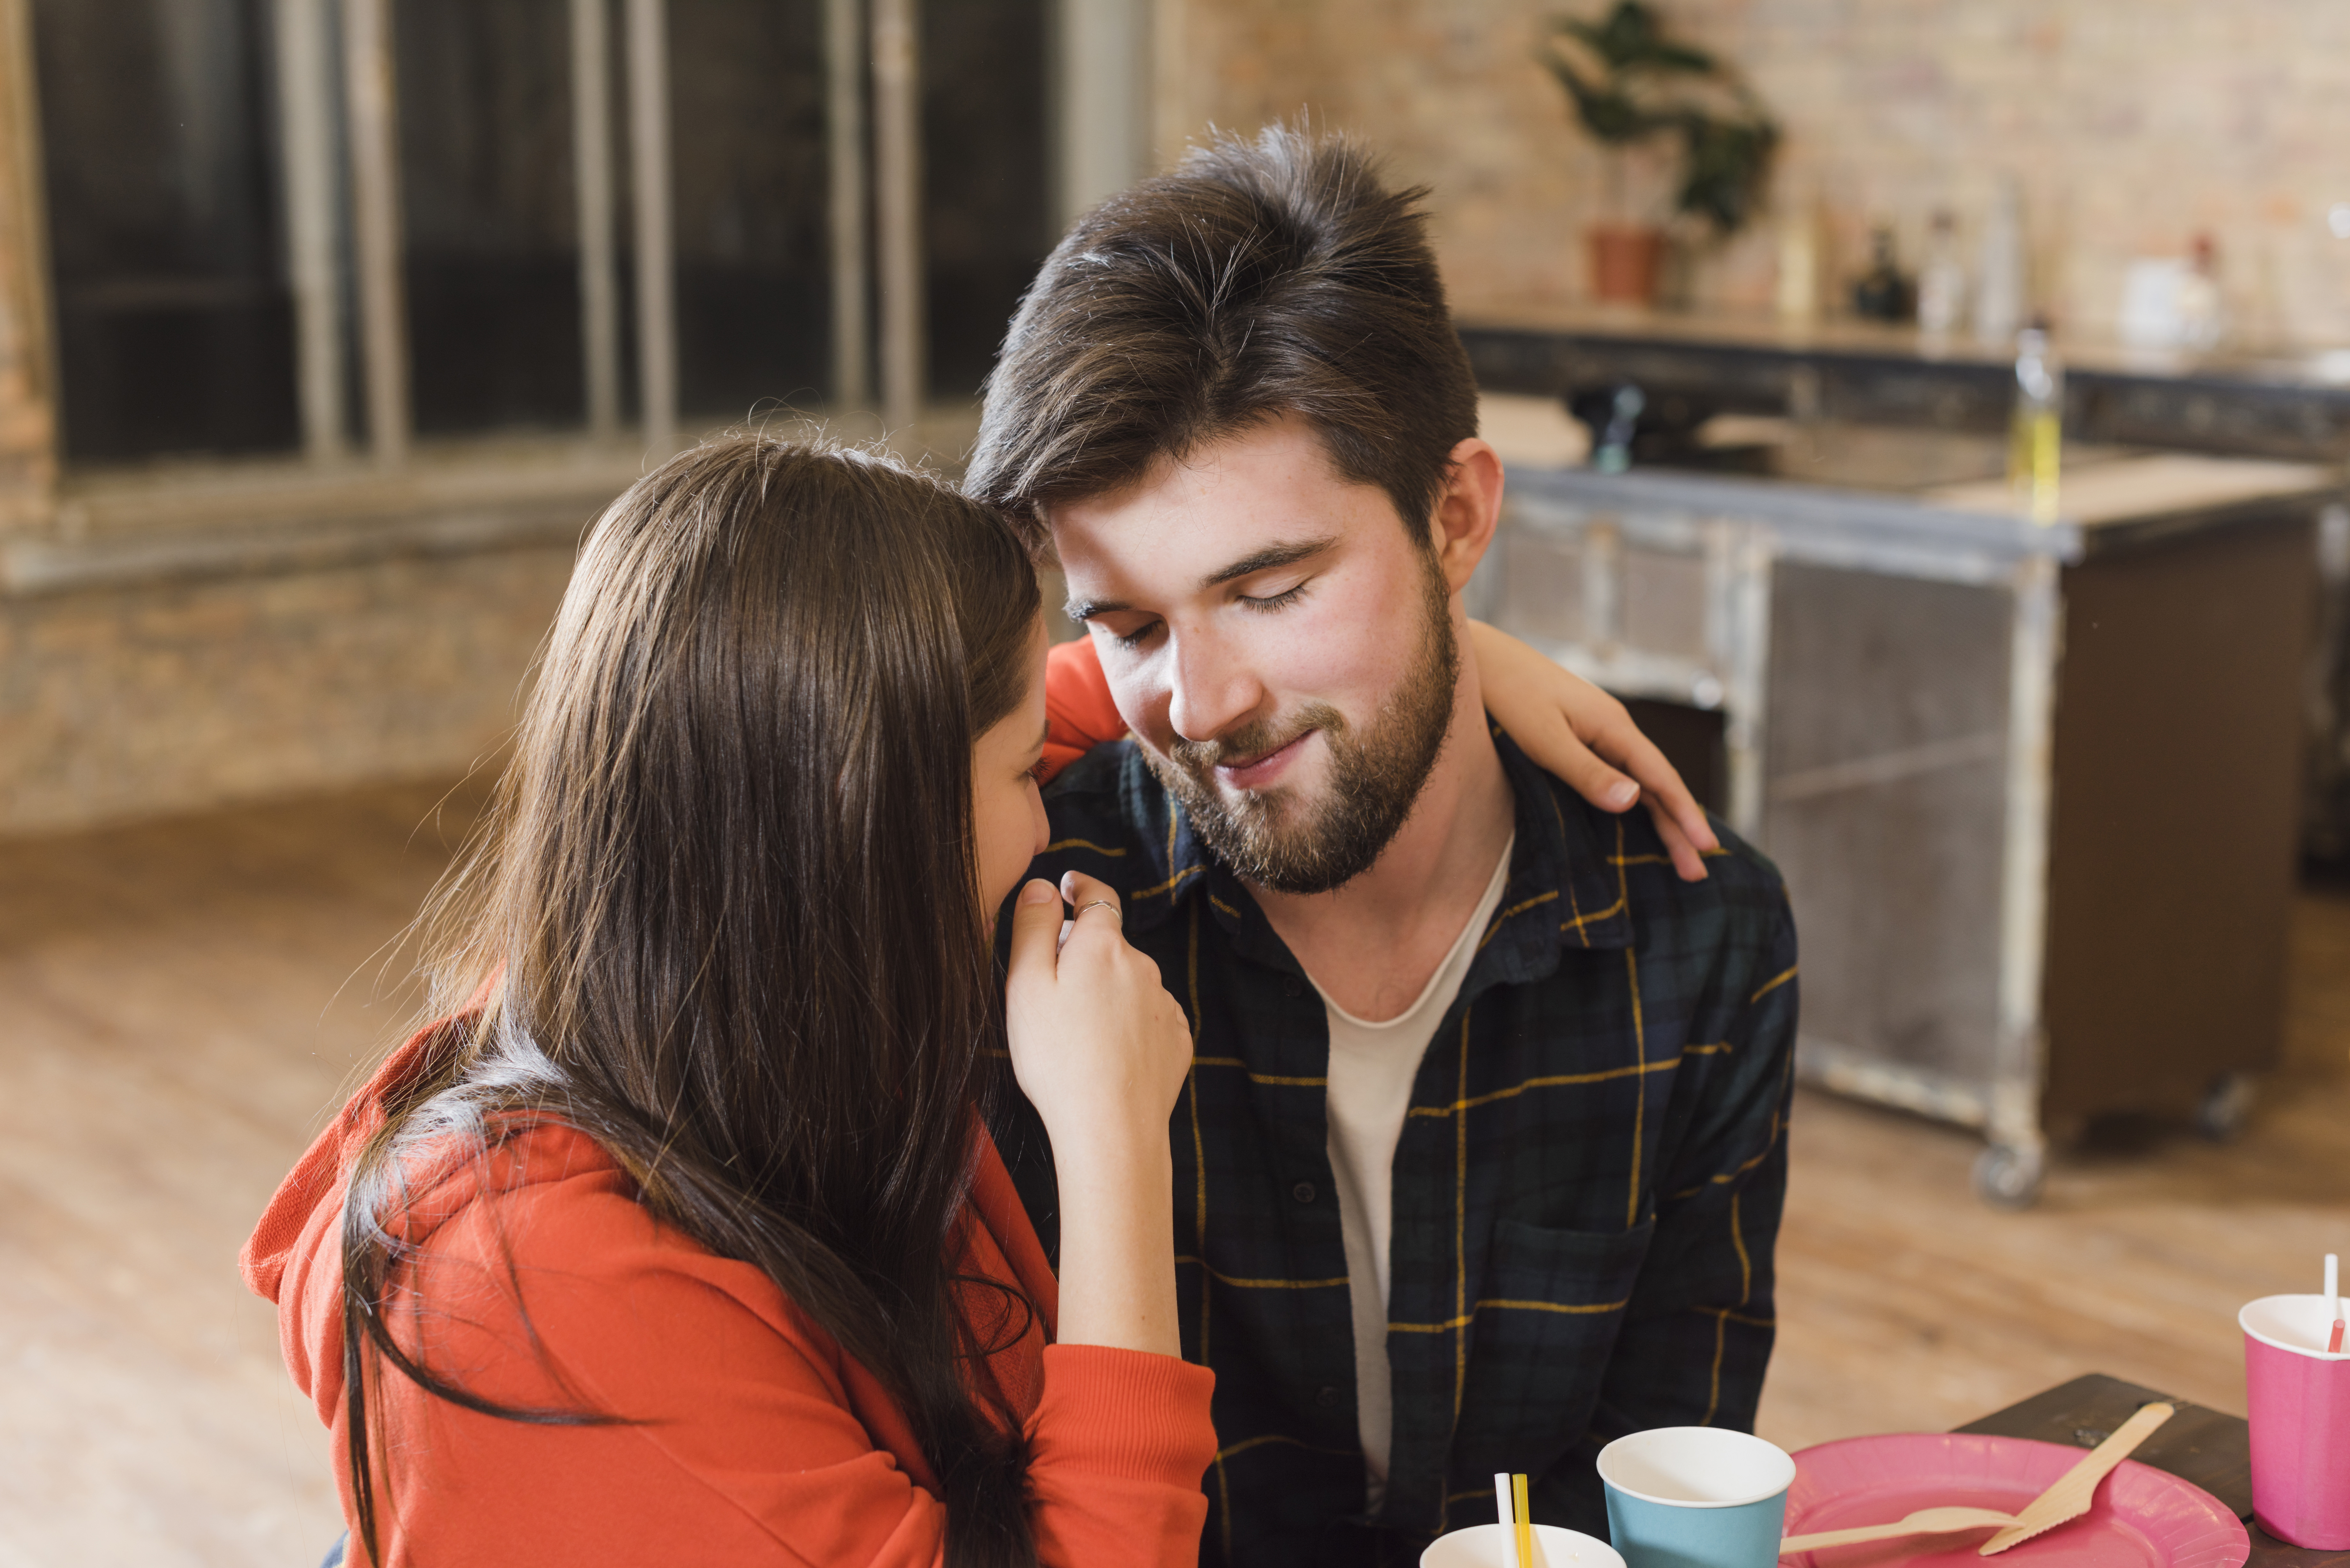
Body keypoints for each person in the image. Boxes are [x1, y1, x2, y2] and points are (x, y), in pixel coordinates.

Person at [963, 126, 1800, 1564]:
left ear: (1457, 516)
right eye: (1131, 628)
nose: (1202, 705)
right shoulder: (1031, 925)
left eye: (1273, 590)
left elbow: (1662, 1502)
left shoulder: (1698, 932)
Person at [241, 438, 1217, 1568]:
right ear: (867, 819)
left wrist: (1466, 672)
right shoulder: (541, 1304)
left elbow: (1080, 695)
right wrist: (1115, 1143)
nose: (1042, 818)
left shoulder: (683, 964)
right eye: (1019, 773)